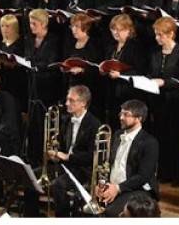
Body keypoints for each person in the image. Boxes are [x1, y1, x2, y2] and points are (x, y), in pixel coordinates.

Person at [97, 99, 159, 218]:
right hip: (113, 185)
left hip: (137, 190)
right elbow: (108, 164)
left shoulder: (150, 142)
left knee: (109, 213)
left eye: (126, 114)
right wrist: (102, 185)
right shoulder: (117, 135)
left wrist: (118, 188)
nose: (121, 117)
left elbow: (143, 176)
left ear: (139, 118)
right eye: (121, 113)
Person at [148, 17, 179, 184]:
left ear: (171, 34)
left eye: (160, 35)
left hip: (176, 103)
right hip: (159, 102)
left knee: (177, 139)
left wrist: (165, 82)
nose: (157, 38)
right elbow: (152, 74)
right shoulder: (155, 53)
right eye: (156, 35)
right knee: (161, 137)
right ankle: (165, 172)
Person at [48, 86, 101, 217]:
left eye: (71, 100)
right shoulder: (67, 120)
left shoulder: (94, 124)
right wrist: (55, 154)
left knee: (58, 185)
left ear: (83, 103)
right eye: (67, 99)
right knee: (30, 176)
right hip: (65, 165)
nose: (66, 103)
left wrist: (67, 157)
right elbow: (61, 144)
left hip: (81, 169)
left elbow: (91, 156)